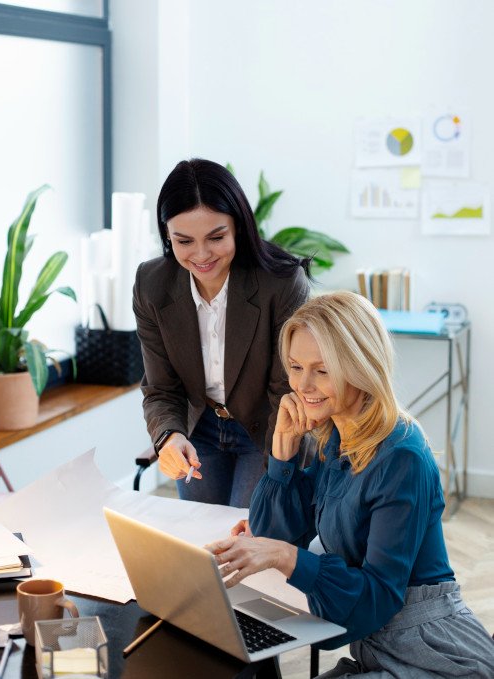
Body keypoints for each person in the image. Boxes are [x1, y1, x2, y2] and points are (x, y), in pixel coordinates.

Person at [206, 291, 494, 677]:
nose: (303, 385)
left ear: (360, 367)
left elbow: (377, 598)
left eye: (322, 370)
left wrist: (286, 557)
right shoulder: (337, 437)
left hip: (435, 652)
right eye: (295, 366)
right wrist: (282, 455)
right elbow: (271, 534)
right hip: (378, 644)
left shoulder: (401, 457)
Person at [132, 158, 310, 507]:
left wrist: (277, 465)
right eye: (183, 241)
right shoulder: (152, 285)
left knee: (245, 541)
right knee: (203, 544)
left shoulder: (282, 283)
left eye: (216, 237)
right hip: (200, 428)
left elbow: (286, 390)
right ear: (167, 235)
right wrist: (168, 436)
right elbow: (160, 388)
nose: (201, 255)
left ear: (239, 227)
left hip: (266, 426)